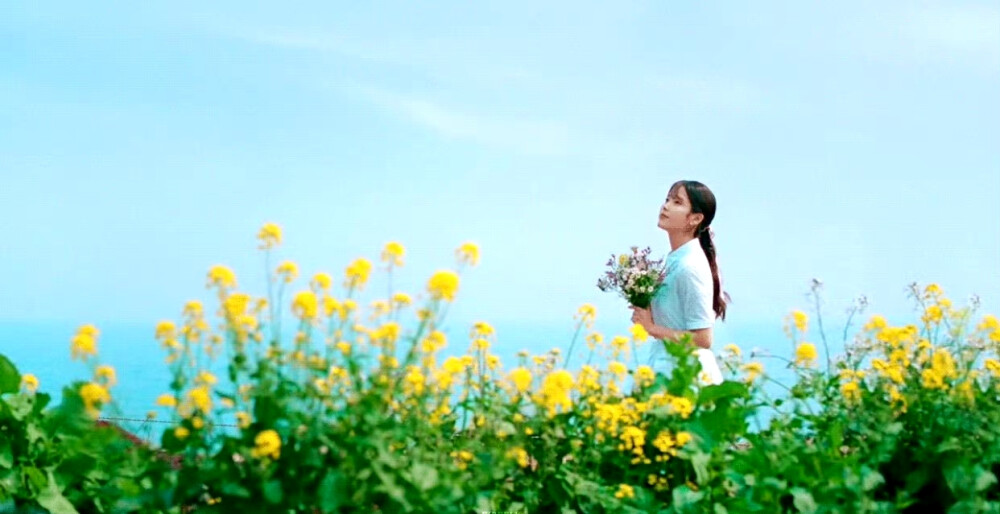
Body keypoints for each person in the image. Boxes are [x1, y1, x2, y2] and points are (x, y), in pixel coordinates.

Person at [630, 180, 730, 385]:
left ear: (695, 218)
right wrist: (641, 294)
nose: (665, 205)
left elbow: (703, 339)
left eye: (677, 202)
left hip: (689, 379)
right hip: (669, 370)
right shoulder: (676, 259)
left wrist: (651, 328)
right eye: (667, 199)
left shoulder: (690, 266)